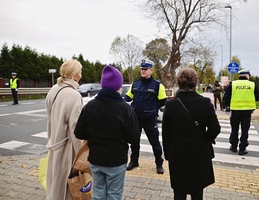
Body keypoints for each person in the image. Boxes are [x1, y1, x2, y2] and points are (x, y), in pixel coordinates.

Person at [74, 65, 140, 200]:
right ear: (118, 86)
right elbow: (134, 137)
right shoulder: (124, 109)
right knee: (114, 195)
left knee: (98, 194)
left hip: (95, 159)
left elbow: (79, 132)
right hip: (116, 160)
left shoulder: (90, 106)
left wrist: (94, 135)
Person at [162, 67, 221, 200]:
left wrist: (168, 154)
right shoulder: (205, 103)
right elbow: (215, 128)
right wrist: (206, 139)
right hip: (200, 153)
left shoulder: (171, 105)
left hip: (178, 154)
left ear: (178, 83)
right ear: (195, 83)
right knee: (197, 191)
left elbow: (166, 134)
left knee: (179, 191)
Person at [45, 59, 83, 200]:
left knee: (55, 183)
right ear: (74, 75)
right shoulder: (73, 95)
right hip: (68, 149)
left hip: (55, 143)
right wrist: (81, 154)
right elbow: (76, 130)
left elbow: (49, 120)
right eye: (79, 71)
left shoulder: (53, 90)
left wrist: (52, 139)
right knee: (67, 188)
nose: (81, 74)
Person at [124, 59, 167, 174]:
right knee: (134, 142)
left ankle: (159, 164)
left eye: (145, 69)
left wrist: (153, 108)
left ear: (151, 70)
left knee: (155, 143)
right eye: (142, 69)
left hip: (150, 119)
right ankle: (134, 161)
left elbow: (163, 101)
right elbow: (127, 98)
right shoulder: (135, 84)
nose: (143, 71)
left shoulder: (158, 85)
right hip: (136, 119)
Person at [223, 69, 259, 155]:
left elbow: (226, 96)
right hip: (247, 111)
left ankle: (233, 146)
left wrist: (228, 106)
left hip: (235, 110)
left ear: (240, 75)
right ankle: (242, 149)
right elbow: (258, 97)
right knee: (245, 130)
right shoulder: (252, 84)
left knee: (234, 128)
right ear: (247, 75)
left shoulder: (233, 84)